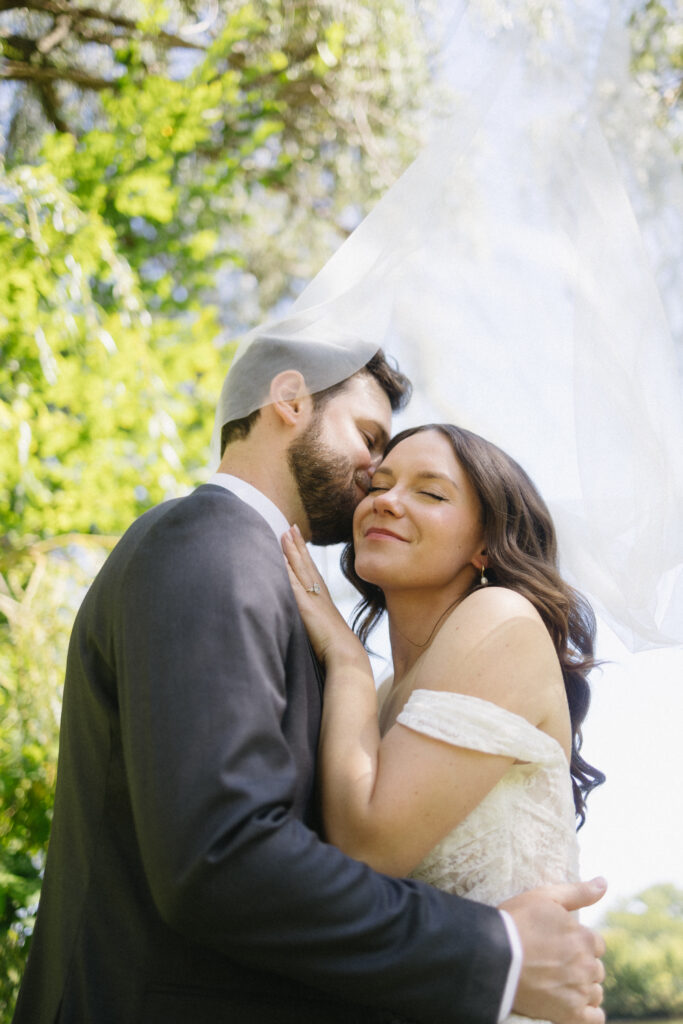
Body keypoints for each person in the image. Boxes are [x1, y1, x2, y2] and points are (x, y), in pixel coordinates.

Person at [13, 349, 606, 1024]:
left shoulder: (451, 631)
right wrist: (495, 953)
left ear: (483, 542)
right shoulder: (212, 540)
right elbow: (227, 851)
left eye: (428, 491)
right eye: (371, 446)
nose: (375, 491)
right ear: (290, 401)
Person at [283, 422, 608, 1022]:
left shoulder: (502, 617)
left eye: (430, 494)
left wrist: (347, 662)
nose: (385, 500)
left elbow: (367, 851)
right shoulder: (382, 696)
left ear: (485, 546)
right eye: (379, 485)